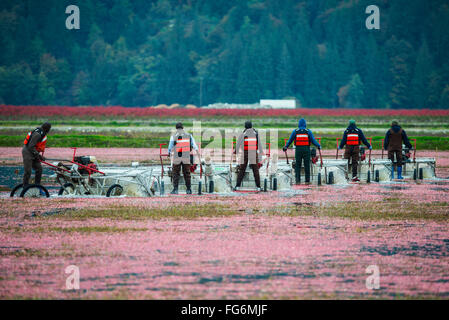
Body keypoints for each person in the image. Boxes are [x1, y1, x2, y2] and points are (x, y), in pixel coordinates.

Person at [283, 118, 321, 184]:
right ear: (305, 124)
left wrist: (286, 146)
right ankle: (307, 181)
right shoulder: (308, 131)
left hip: (298, 150)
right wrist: (318, 145)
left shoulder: (295, 131)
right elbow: (313, 140)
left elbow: (290, 140)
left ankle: (297, 181)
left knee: (298, 165)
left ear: (299, 124)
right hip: (306, 150)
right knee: (307, 165)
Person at [168, 122, 200, 194]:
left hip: (177, 156)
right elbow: (194, 145)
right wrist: (198, 154)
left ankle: (175, 189)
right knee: (187, 173)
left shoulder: (173, 136)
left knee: (175, 172)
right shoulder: (189, 136)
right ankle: (188, 189)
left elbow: (170, 147)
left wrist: (168, 153)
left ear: (176, 128)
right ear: (183, 128)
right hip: (186, 156)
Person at [234, 121, 263, 191]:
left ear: (245, 126)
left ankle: (237, 186)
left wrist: (236, 151)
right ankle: (258, 187)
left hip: (245, 153)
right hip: (253, 153)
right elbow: (259, 144)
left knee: (242, 169)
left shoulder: (243, 133)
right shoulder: (256, 133)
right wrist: (261, 151)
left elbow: (238, 143)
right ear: (251, 126)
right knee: (255, 170)